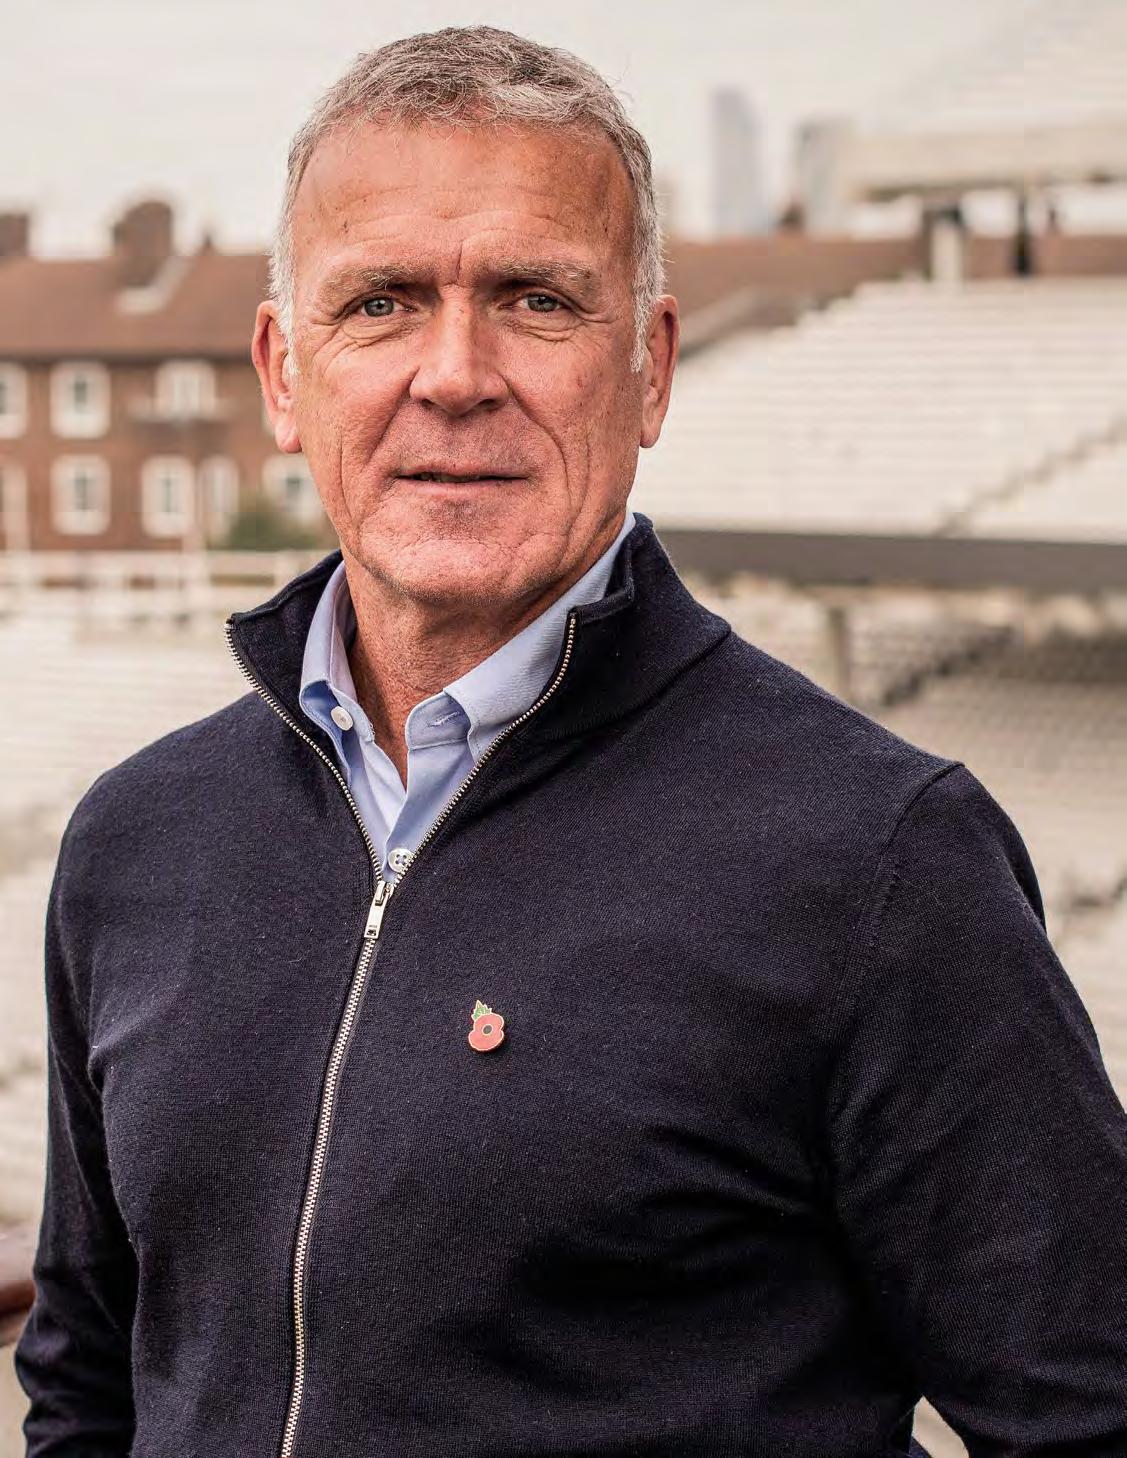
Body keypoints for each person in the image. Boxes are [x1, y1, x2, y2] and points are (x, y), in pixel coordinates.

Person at [14, 25, 1127, 1458]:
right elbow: (90, 1381)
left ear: (650, 368)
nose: (454, 373)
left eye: (536, 300)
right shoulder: (136, 840)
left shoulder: (878, 861)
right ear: (285, 374)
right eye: (381, 303)